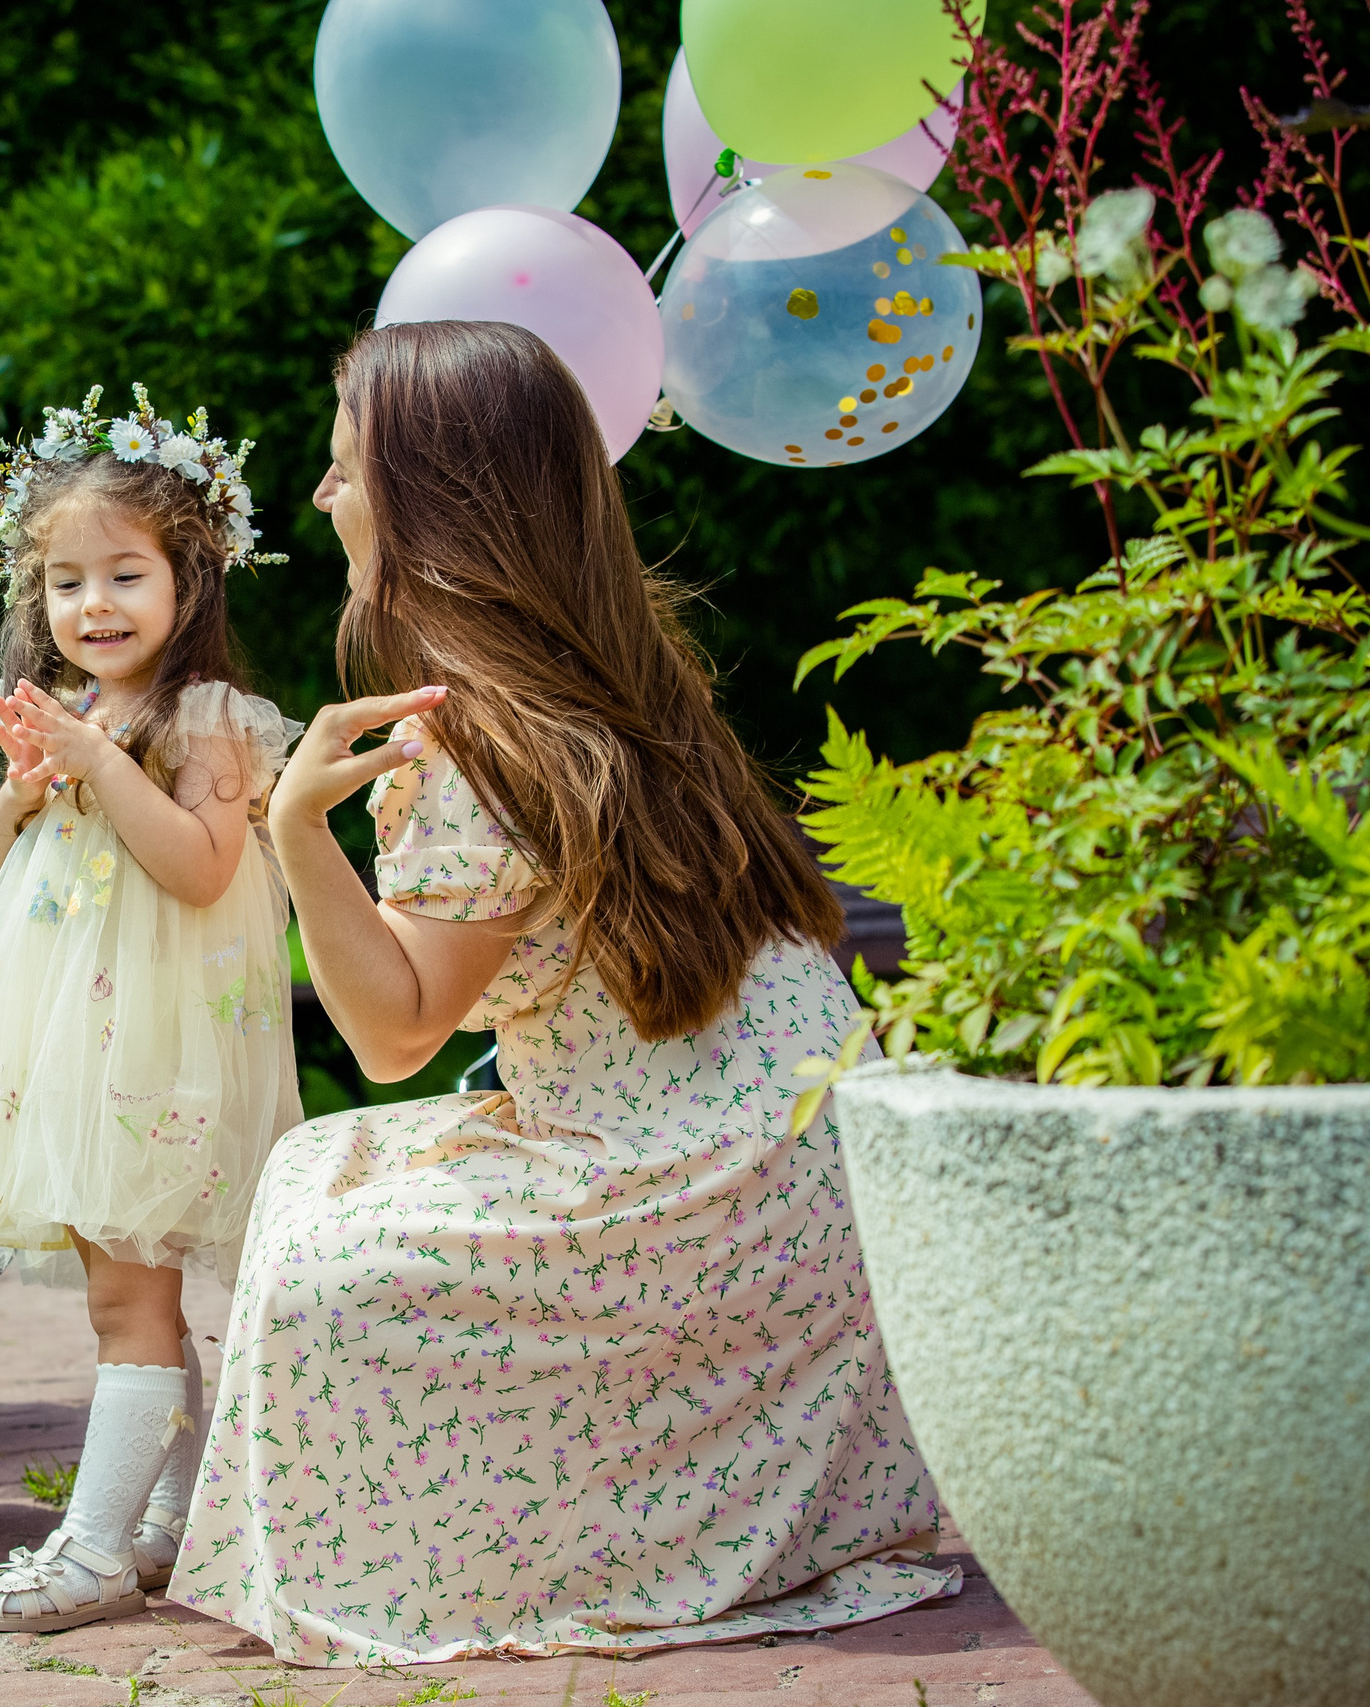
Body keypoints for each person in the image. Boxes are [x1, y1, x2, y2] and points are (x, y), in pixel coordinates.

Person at [172, 322, 953, 1663]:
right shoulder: (616, 667)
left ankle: (510, 1550)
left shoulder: (476, 732)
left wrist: (299, 834)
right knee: (316, 1175)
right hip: (802, 1176)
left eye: (344, 465)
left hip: (698, 1189)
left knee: (324, 1264)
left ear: (429, 499)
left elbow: (396, 1033)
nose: (323, 494)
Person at [0, 385, 304, 1636]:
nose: (91, 607)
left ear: (189, 581)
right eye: (63, 584)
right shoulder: (77, 720)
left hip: (155, 1054)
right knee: (131, 1293)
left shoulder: (204, 720)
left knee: (128, 1302)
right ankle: (169, 1516)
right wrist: (31, 786)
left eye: (124, 577)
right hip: (71, 1050)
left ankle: (94, 1548)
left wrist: (100, 768)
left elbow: (202, 869)